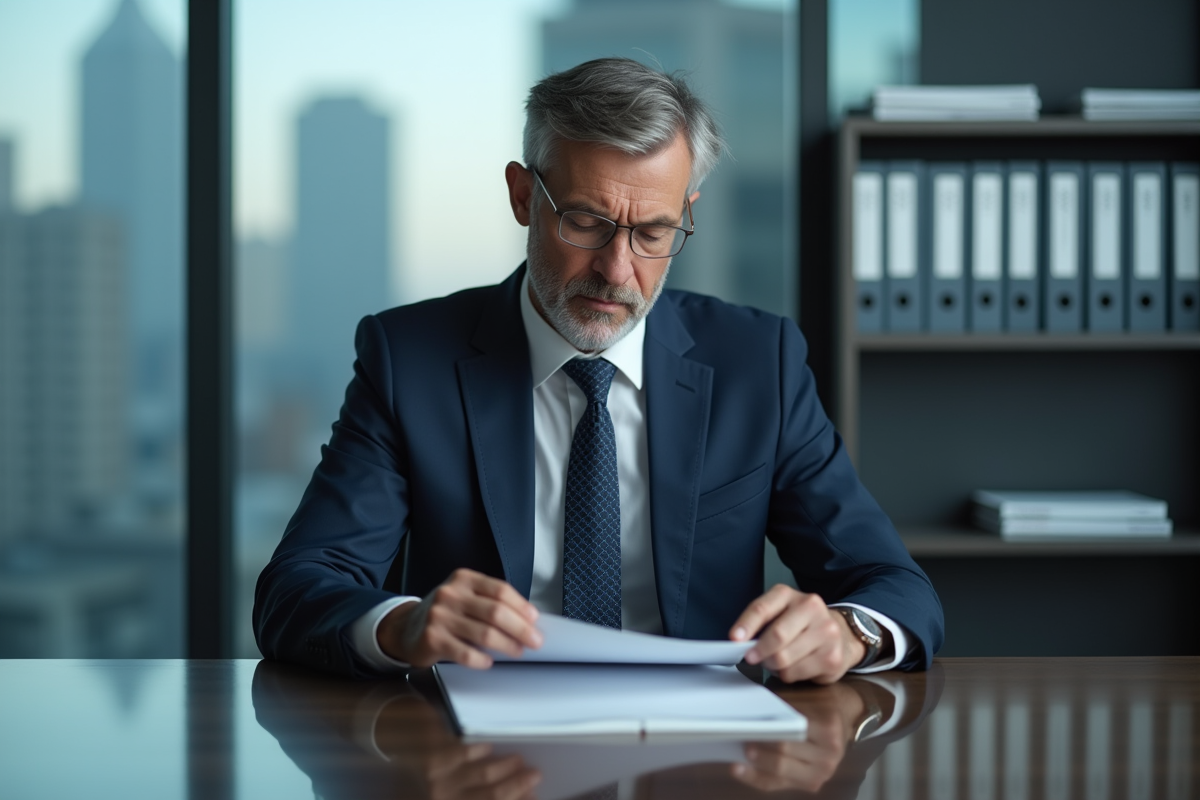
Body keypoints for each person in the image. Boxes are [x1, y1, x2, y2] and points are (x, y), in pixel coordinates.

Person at [254, 57, 943, 683]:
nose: (617, 271)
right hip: (475, 752)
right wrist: (403, 625)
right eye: (584, 222)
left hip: (702, 749)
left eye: (653, 233)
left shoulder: (758, 363)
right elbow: (298, 588)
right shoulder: (410, 359)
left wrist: (850, 633)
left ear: (686, 218)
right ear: (524, 197)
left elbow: (892, 582)